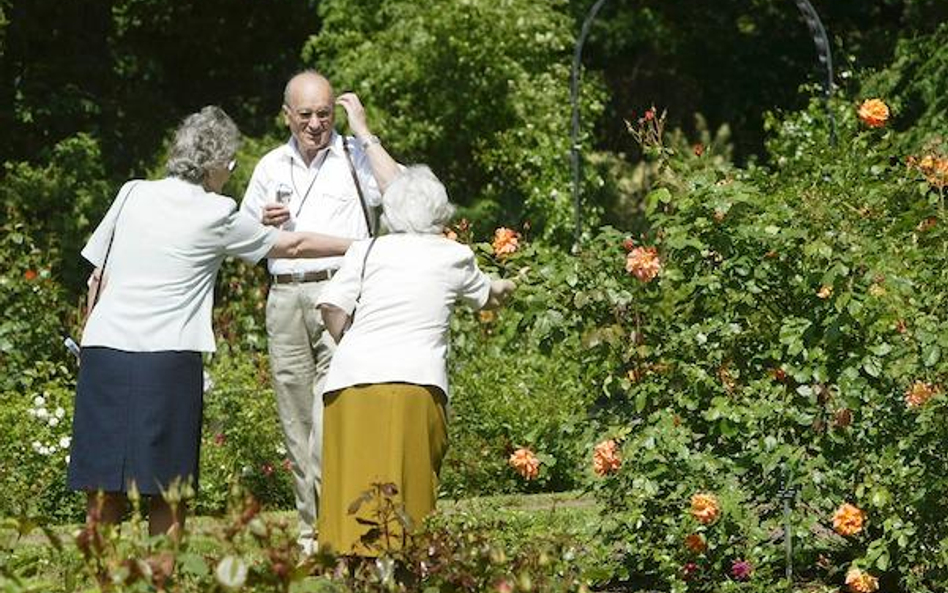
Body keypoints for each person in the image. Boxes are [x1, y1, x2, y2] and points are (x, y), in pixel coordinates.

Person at [67, 105, 354, 537]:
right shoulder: (216, 211)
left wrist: (89, 339)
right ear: (218, 164)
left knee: (102, 490)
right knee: (169, 488)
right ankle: (162, 582)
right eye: (231, 165)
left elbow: (98, 277)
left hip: (104, 352)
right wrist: (365, 245)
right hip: (166, 358)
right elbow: (293, 245)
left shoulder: (131, 192)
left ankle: (98, 580)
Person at [316, 165, 515, 556]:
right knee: (408, 498)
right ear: (440, 211)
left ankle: (350, 577)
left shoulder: (368, 248)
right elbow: (487, 296)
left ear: (391, 212)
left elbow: (330, 304)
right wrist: (511, 284)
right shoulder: (453, 255)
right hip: (414, 384)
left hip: (351, 383)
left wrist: (350, 341)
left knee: (349, 500)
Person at [240, 70, 401, 553]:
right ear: (287, 115)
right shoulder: (270, 165)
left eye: (324, 113)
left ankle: (336, 522)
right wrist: (262, 227)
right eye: (305, 114)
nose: (315, 124)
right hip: (285, 296)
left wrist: (364, 131)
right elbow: (244, 241)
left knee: (332, 412)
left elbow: (400, 194)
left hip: (341, 294)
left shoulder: (355, 156)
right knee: (295, 421)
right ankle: (311, 532)